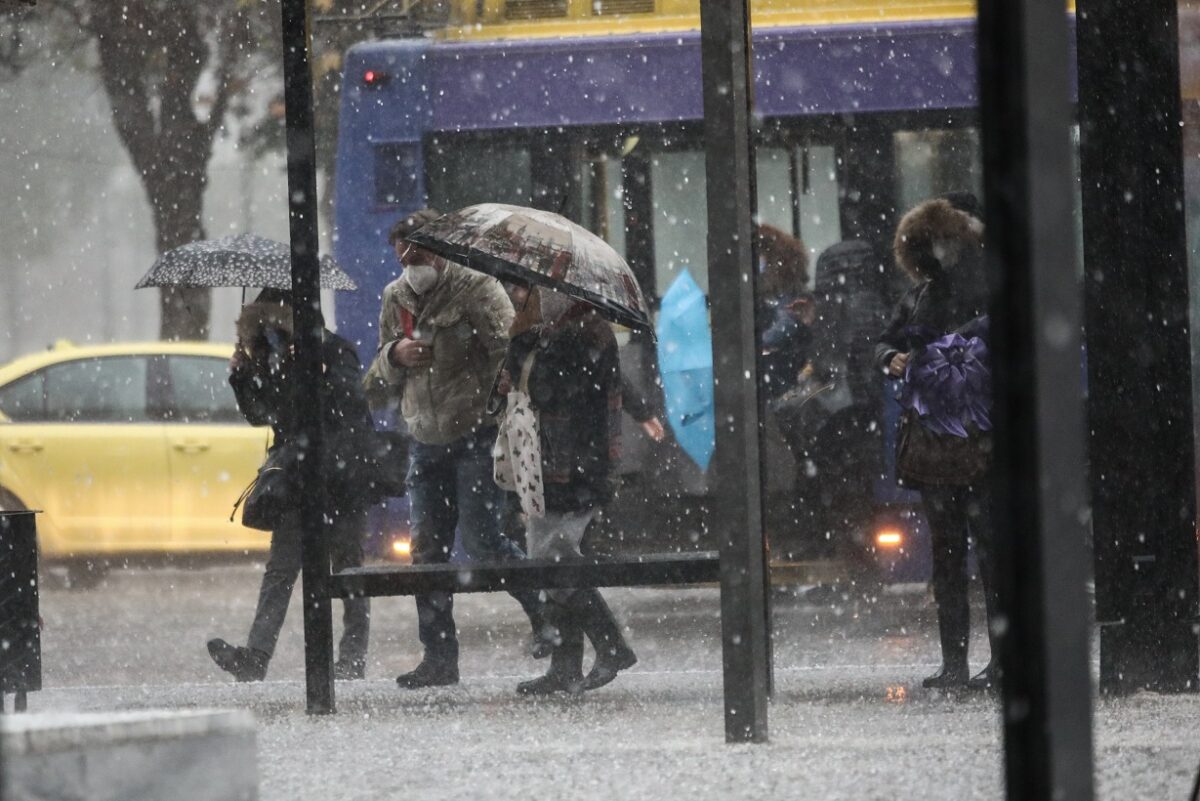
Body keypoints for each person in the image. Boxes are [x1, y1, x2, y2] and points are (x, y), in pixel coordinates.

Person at [365, 209, 552, 689]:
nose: (411, 260)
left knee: (484, 540)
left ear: (441, 250)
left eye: (421, 251)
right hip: (424, 441)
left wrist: (502, 383)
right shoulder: (395, 297)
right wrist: (394, 355)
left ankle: (546, 614)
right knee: (427, 551)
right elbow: (376, 379)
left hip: (474, 434)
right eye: (403, 252)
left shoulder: (476, 288)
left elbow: (509, 348)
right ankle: (439, 656)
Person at [208, 289, 372, 682]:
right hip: (295, 478)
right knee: (281, 569)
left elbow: (351, 405)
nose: (272, 331)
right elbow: (263, 415)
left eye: (276, 321)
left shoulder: (333, 350)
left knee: (347, 567)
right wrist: (242, 376)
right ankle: (256, 656)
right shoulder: (272, 355)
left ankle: (351, 658)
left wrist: (316, 371)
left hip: (340, 476)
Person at [875, 192, 998, 691]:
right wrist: (893, 358)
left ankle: (967, 663)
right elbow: (886, 341)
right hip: (955, 438)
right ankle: (961, 663)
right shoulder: (925, 294)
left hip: (968, 435)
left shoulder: (978, 289)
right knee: (962, 553)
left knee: (968, 553)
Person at [499, 283, 637, 695]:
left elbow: (554, 392)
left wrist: (522, 353)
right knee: (554, 559)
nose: (520, 294)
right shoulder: (549, 332)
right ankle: (565, 664)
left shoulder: (582, 333)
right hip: (549, 463)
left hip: (575, 465)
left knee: (552, 558)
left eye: (530, 288)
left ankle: (610, 645)